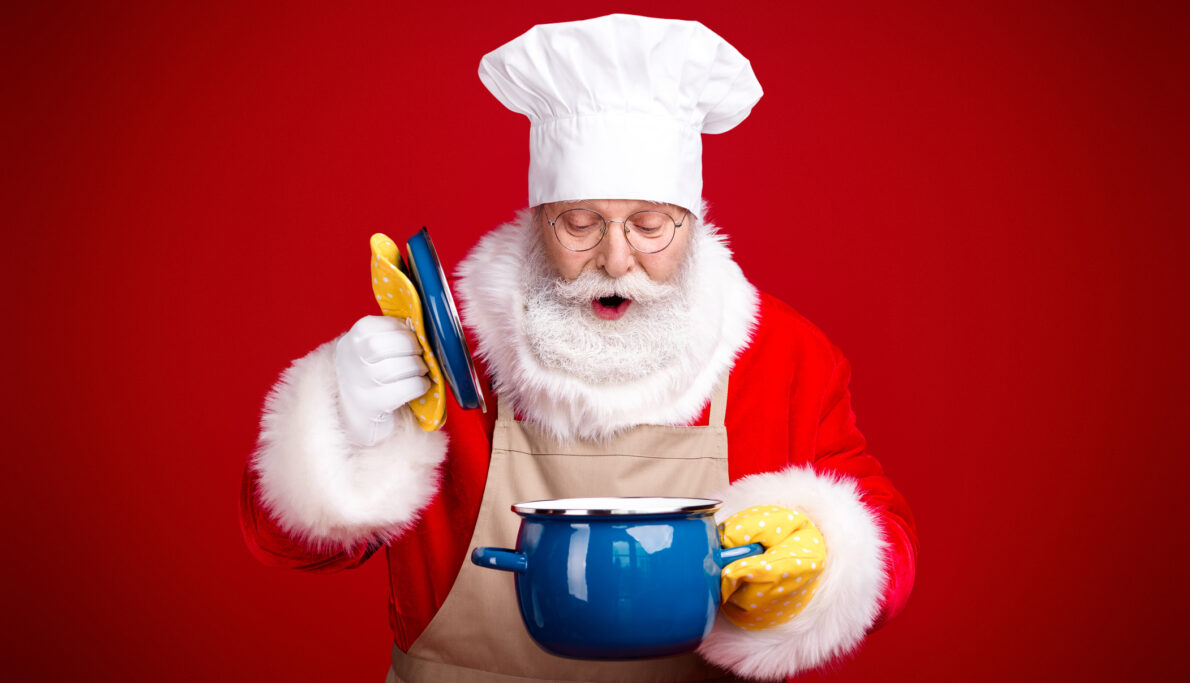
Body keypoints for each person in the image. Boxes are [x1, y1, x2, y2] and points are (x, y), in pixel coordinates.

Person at [240, 14, 917, 683]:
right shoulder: (447, 353)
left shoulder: (783, 353)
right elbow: (284, 546)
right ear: (539, 219)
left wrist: (826, 555)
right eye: (580, 223)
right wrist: (343, 427)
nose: (615, 260)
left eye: (650, 225)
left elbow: (888, 548)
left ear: (693, 221)